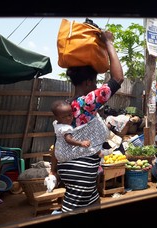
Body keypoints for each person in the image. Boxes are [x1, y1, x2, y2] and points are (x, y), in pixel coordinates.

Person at [50, 29, 124, 213]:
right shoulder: (87, 102)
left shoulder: (68, 106)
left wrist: (53, 170)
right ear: (86, 84)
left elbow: (58, 139)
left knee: (93, 202)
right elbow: (118, 78)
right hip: (80, 168)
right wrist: (108, 42)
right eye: (94, 83)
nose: (97, 87)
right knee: (72, 210)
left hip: (71, 168)